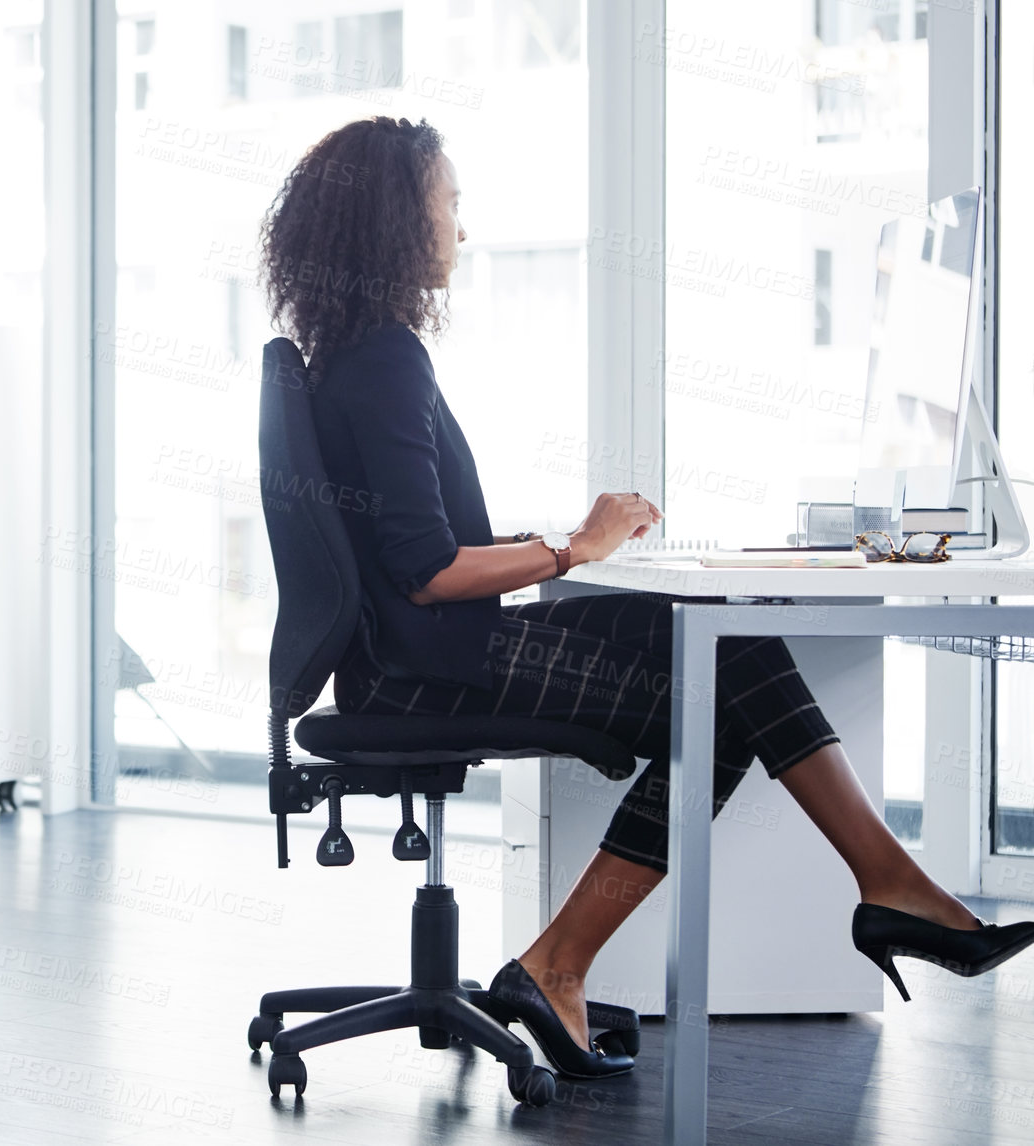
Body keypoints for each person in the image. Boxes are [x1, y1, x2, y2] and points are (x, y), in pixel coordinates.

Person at [259, 116, 1034, 1079]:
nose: (461, 224)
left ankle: (846, 896)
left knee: (718, 648)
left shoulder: (356, 354)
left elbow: (408, 553)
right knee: (723, 672)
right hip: (427, 667)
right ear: (391, 218)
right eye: (448, 201)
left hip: (411, 654)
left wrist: (562, 546)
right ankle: (588, 957)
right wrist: (571, 548)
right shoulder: (385, 360)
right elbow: (425, 572)